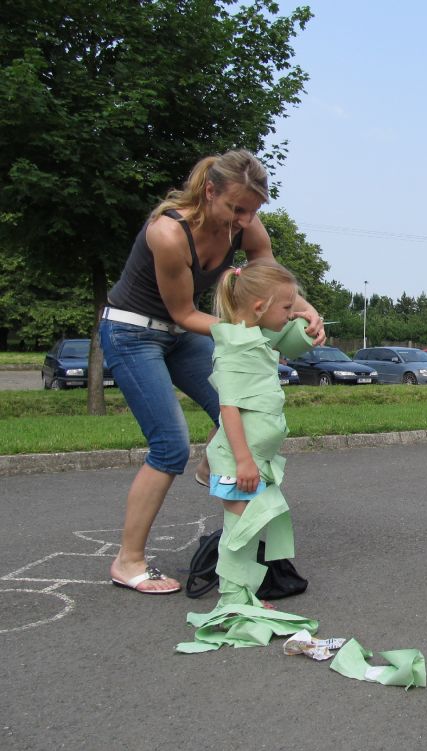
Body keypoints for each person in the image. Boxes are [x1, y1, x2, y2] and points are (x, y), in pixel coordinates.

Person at [100, 149, 324, 595]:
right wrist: (245, 334)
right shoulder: (168, 233)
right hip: (133, 332)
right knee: (169, 445)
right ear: (209, 191)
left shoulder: (245, 225)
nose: (245, 220)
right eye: (236, 209)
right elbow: (183, 312)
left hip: (182, 332)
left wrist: (305, 309)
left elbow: (269, 278)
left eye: (253, 211)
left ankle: (213, 465)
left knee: (241, 409)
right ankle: (127, 561)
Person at [176, 262, 317, 652]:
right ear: (259, 307)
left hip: (253, 461)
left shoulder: (253, 336)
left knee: (248, 531)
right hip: (239, 462)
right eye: (286, 308)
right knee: (239, 534)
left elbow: (293, 336)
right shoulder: (236, 348)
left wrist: (308, 321)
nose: (291, 314)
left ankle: (242, 598)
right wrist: (243, 461)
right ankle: (233, 604)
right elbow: (229, 409)